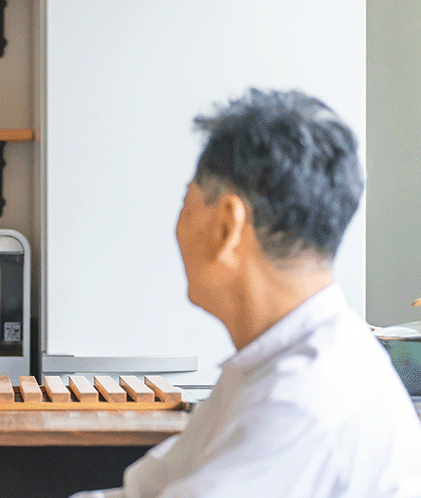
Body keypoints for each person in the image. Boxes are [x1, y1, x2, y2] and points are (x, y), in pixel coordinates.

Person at [74, 90, 421, 497]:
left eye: (187, 205)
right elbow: (145, 490)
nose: (178, 229)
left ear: (227, 226)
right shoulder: (276, 364)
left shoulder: (300, 402)